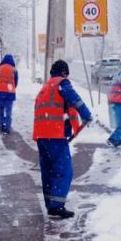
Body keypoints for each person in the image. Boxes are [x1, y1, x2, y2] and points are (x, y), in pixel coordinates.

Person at [33, 60, 93, 219]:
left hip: (41, 135)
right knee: (64, 171)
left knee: (48, 171)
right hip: (54, 135)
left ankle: (50, 203)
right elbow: (74, 98)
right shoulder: (62, 83)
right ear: (64, 73)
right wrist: (86, 114)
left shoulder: (45, 88)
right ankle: (56, 206)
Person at [0, 54, 19, 134]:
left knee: (0, 110)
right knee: (8, 111)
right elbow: (16, 82)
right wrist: (11, 88)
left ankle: (1, 125)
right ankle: (7, 128)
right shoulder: (14, 70)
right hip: (9, 93)